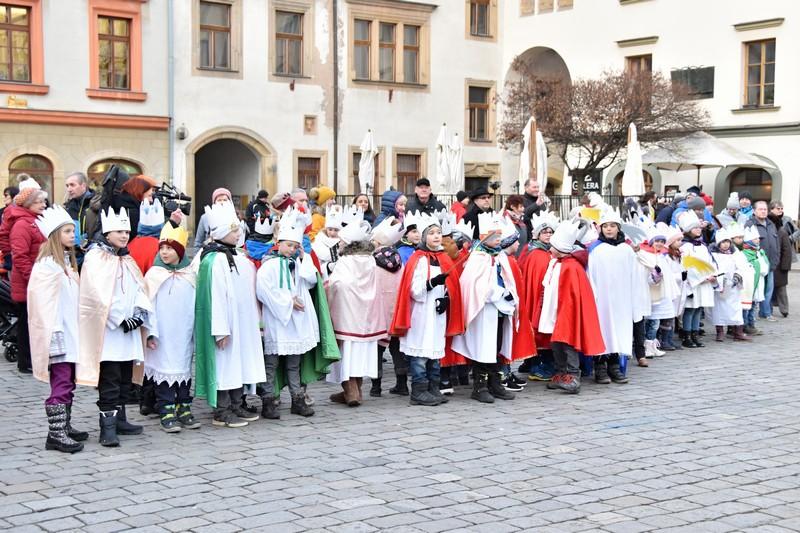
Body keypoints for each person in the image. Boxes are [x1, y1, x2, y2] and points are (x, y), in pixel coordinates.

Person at [80, 207, 153, 446]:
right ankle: (106, 428)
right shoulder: (95, 257)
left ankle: (120, 420)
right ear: (108, 232)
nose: (124, 236)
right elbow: (95, 294)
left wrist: (139, 314)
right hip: (110, 332)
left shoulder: (126, 258)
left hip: (129, 331)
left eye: (127, 231)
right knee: (109, 378)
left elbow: (140, 288)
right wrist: (119, 318)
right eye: (119, 231)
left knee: (124, 377)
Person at [257, 207, 337, 419]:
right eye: (289, 245)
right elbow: (264, 291)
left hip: (297, 323)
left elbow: (312, 280)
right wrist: (288, 302)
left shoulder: (299, 264)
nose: (292, 249)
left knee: (295, 364)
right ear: (278, 243)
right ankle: (268, 400)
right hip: (278, 320)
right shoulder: (269, 265)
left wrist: (304, 258)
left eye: (296, 246)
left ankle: (297, 399)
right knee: (271, 363)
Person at [194, 201, 266, 428]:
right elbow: (215, 298)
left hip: (240, 323)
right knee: (225, 366)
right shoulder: (214, 260)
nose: (239, 234)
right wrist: (220, 329)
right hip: (226, 325)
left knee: (238, 364)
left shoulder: (235, 257)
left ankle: (236, 404)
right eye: (234, 231)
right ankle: (222, 410)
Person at [28, 206, 87, 453]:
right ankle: (56, 434)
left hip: (71, 332)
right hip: (58, 334)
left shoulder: (65, 264)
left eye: (73, 230)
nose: (72, 235)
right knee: (61, 382)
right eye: (66, 231)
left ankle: (65, 425)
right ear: (54, 235)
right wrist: (53, 333)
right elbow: (41, 304)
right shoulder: (46, 267)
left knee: (69, 381)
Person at [390, 214, 463, 406]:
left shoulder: (444, 258)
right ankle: (419, 391)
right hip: (421, 313)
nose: (437, 236)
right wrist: (431, 283)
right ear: (423, 237)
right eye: (431, 233)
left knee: (435, 352)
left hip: (437, 312)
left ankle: (433, 387)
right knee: (421, 354)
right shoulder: (418, 259)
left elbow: (452, 286)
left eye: (438, 232)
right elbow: (413, 289)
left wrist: (447, 298)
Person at [452, 212, 522, 403]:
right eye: (495, 236)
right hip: (484, 311)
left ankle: (495, 382)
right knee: (484, 347)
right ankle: (480, 386)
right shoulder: (478, 257)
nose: (499, 239)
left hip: (500, 310)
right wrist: (497, 293)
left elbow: (507, 278)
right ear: (484, 237)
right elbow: (475, 285)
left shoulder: (499, 256)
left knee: (497, 346)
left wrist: (510, 294)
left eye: (500, 235)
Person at [143, 224, 201, 433]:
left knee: (183, 367)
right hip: (162, 333)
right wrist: (150, 331)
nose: (164, 252)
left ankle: (183, 405)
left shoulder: (190, 275)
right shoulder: (154, 274)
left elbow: (195, 305)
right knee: (164, 368)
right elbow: (147, 304)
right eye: (162, 248)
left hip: (183, 332)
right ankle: (165, 408)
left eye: (170, 248)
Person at [541, 219, 606, 394]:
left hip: (566, 311)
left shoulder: (571, 267)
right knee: (556, 343)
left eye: (553, 247)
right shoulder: (557, 263)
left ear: (561, 249)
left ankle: (572, 375)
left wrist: (563, 310)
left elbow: (572, 294)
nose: (550, 249)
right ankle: (561, 372)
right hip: (556, 310)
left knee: (567, 343)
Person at [326, 219, 386, 406]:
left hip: (347, 314)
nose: (340, 244)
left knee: (346, 353)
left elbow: (338, 284)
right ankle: (355, 390)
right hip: (367, 317)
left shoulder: (345, 261)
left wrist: (326, 285)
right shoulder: (370, 260)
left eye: (342, 241)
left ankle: (351, 391)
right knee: (359, 354)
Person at [587, 208, 647, 384]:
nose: (609, 229)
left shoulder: (626, 250)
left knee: (618, 332)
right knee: (603, 331)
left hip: (621, 300)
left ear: (618, 228)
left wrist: (634, 299)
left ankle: (614, 366)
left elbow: (634, 276)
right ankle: (600, 368)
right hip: (602, 301)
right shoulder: (596, 250)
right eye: (605, 226)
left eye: (613, 226)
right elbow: (591, 275)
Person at [7, 186, 48, 373]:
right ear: (29, 204)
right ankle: (25, 362)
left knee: (35, 322)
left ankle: (34, 359)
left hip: (38, 280)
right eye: (39, 201)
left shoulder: (35, 220)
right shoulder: (22, 224)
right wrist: (34, 278)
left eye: (43, 201)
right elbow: (20, 256)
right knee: (26, 323)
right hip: (28, 283)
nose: (43, 204)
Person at [367, 216, 405, 397]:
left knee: (377, 349)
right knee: (397, 348)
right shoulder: (399, 261)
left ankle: (376, 386)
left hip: (379, 310)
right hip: (396, 309)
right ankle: (402, 384)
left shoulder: (372, 261)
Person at [519, 210, 560, 379]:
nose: (548, 235)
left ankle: (531, 362)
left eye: (551, 232)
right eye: (545, 232)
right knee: (539, 331)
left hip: (541, 298)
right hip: (537, 299)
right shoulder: (536, 254)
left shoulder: (545, 251)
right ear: (537, 235)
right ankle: (538, 366)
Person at [678, 210, 716, 348]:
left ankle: (695, 334)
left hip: (704, 282)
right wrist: (702, 278)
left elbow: (710, 262)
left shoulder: (702, 246)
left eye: (699, 227)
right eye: (695, 228)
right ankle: (687, 335)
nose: (698, 230)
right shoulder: (686, 246)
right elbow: (688, 265)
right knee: (690, 310)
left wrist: (712, 274)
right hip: (693, 283)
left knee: (698, 309)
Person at [709, 228, 748, 342]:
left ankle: (738, 331)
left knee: (735, 308)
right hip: (720, 286)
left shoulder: (735, 254)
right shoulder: (713, 255)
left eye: (727, 242)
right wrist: (716, 278)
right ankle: (720, 332)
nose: (725, 245)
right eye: (723, 242)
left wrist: (737, 276)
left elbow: (742, 267)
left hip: (733, 285)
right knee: (719, 309)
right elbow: (711, 268)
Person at [746, 201, 779, 321]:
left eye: (765, 209)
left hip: (770, 263)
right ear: (754, 211)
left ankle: (765, 313)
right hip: (756, 263)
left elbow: (776, 243)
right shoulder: (750, 224)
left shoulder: (771, 224)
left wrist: (776, 258)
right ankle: (750, 316)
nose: (763, 211)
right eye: (760, 209)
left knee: (769, 290)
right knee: (757, 289)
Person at [740, 225, 768, 335]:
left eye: (758, 239)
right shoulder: (745, 253)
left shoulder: (758, 252)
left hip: (758, 282)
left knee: (754, 304)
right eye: (755, 239)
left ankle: (751, 324)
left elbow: (764, 267)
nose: (758, 241)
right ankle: (745, 325)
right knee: (747, 305)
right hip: (749, 283)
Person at [64, 172, 101, 250]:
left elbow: (100, 229)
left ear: (83, 185)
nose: (69, 189)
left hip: (92, 251)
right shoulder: (68, 206)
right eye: (67, 186)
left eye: (72, 185)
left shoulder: (96, 204)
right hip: (73, 252)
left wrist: (90, 243)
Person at [767, 205, 793, 318]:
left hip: (780, 266)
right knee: (769, 289)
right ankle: (769, 309)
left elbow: (787, 251)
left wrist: (785, 266)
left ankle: (784, 309)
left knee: (781, 289)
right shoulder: (768, 232)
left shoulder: (782, 232)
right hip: (769, 264)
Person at [311, 205, 343, 280]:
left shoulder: (343, 241)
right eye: (330, 229)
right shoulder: (319, 239)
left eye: (336, 230)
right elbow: (322, 255)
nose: (332, 233)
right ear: (326, 229)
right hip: (324, 275)